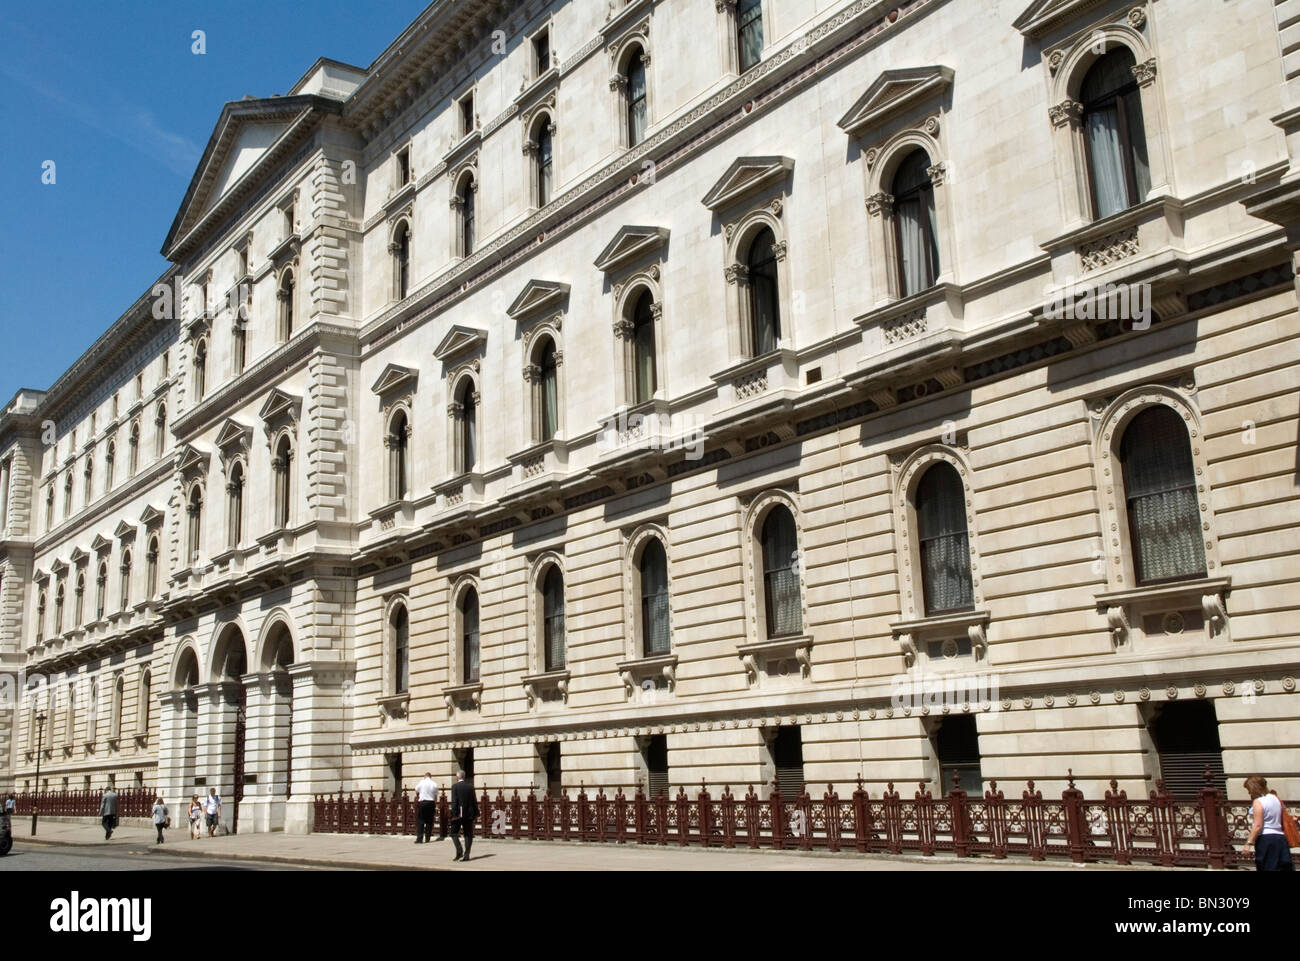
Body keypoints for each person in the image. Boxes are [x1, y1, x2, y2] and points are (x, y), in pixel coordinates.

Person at [1243, 775, 1294, 871]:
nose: (1249, 792)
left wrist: (1248, 843)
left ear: (1253, 788)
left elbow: (1258, 826)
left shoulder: (1258, 802)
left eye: (1249, 789)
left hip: (1266, 839)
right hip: (1280, 838)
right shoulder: (1275, 798)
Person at [449, 769, 478, 862]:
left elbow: (454, 801)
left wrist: (453, 814)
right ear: (464, 777)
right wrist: (476, 813)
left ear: (457, 777)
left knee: (453, 833)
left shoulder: (455, 786)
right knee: (468, 834)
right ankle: (467, 854)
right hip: (469, 814)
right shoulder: (470, 787)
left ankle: (459, 850)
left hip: (458, 814)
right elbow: (474, 801)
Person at [415, 773, 440, 844]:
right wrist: (435, 804)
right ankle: (427, 838)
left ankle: (419, 839)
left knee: (420, 821)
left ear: (425, 776)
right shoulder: (434, 784)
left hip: (422, 802)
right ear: (430, 777)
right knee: (429, 821)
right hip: (431, 803)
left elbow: (416, 790)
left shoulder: (422, 782)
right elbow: (435, 796)